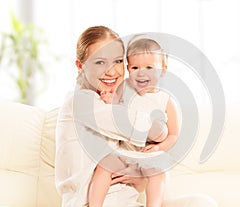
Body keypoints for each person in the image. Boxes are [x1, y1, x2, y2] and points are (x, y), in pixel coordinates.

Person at [55, 25, 218, 207]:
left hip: (127, 201)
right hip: (95, 203)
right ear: (80, 66)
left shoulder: (119, 99)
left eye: (117, 61)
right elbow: (150, 130)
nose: (111, 71)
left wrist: (138, 174)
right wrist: (161, 132)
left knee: (202, 202)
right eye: (100, 62)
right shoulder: (82, 102)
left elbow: (138, 180)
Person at [89, 36, 179, 207]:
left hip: (148, 153)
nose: (141, 73)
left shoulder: (166, 100)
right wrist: (109, 100)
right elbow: (114, 111)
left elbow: (173, 134)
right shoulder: (125, 90)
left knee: (158, 173)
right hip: (125, 150)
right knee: (103, 166)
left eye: (149, 67)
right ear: (128, 69)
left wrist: (159, 147)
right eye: (135, 67)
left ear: (163, 69)